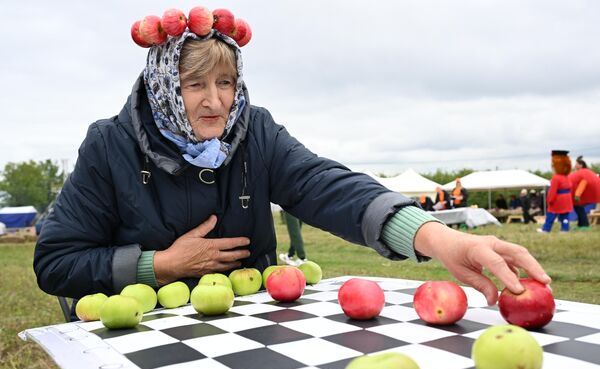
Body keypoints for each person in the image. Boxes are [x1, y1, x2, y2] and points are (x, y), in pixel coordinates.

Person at [33, 14, 550, 322]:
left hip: (246, 330)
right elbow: (55, 262)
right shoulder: (110, 144)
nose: (216, 102)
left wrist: (438, 238)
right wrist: (160, 267)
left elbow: (321, 185)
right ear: (165, 85)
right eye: (195, 86)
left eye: (227, 82)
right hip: (143, 332)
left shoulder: (254, 130)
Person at [538, 150, 573, 233]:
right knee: (565, 216)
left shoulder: (556, 178)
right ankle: (565, 229)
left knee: (551, 215)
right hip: (567, 199)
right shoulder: (567, 177)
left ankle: (546, 229)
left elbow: (552, 191)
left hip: (558, 200)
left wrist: (549, 200)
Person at [569, 156, 600, 231]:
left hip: (580, 195)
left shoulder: (583, 173)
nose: (575, 165)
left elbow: (584, 182)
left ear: (581, 165)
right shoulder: (584, 172)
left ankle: (585, 225)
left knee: (579, 209)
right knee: (579, 209)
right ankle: (580, 224)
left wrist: (577, 194)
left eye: (577, 164)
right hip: (582, 195)